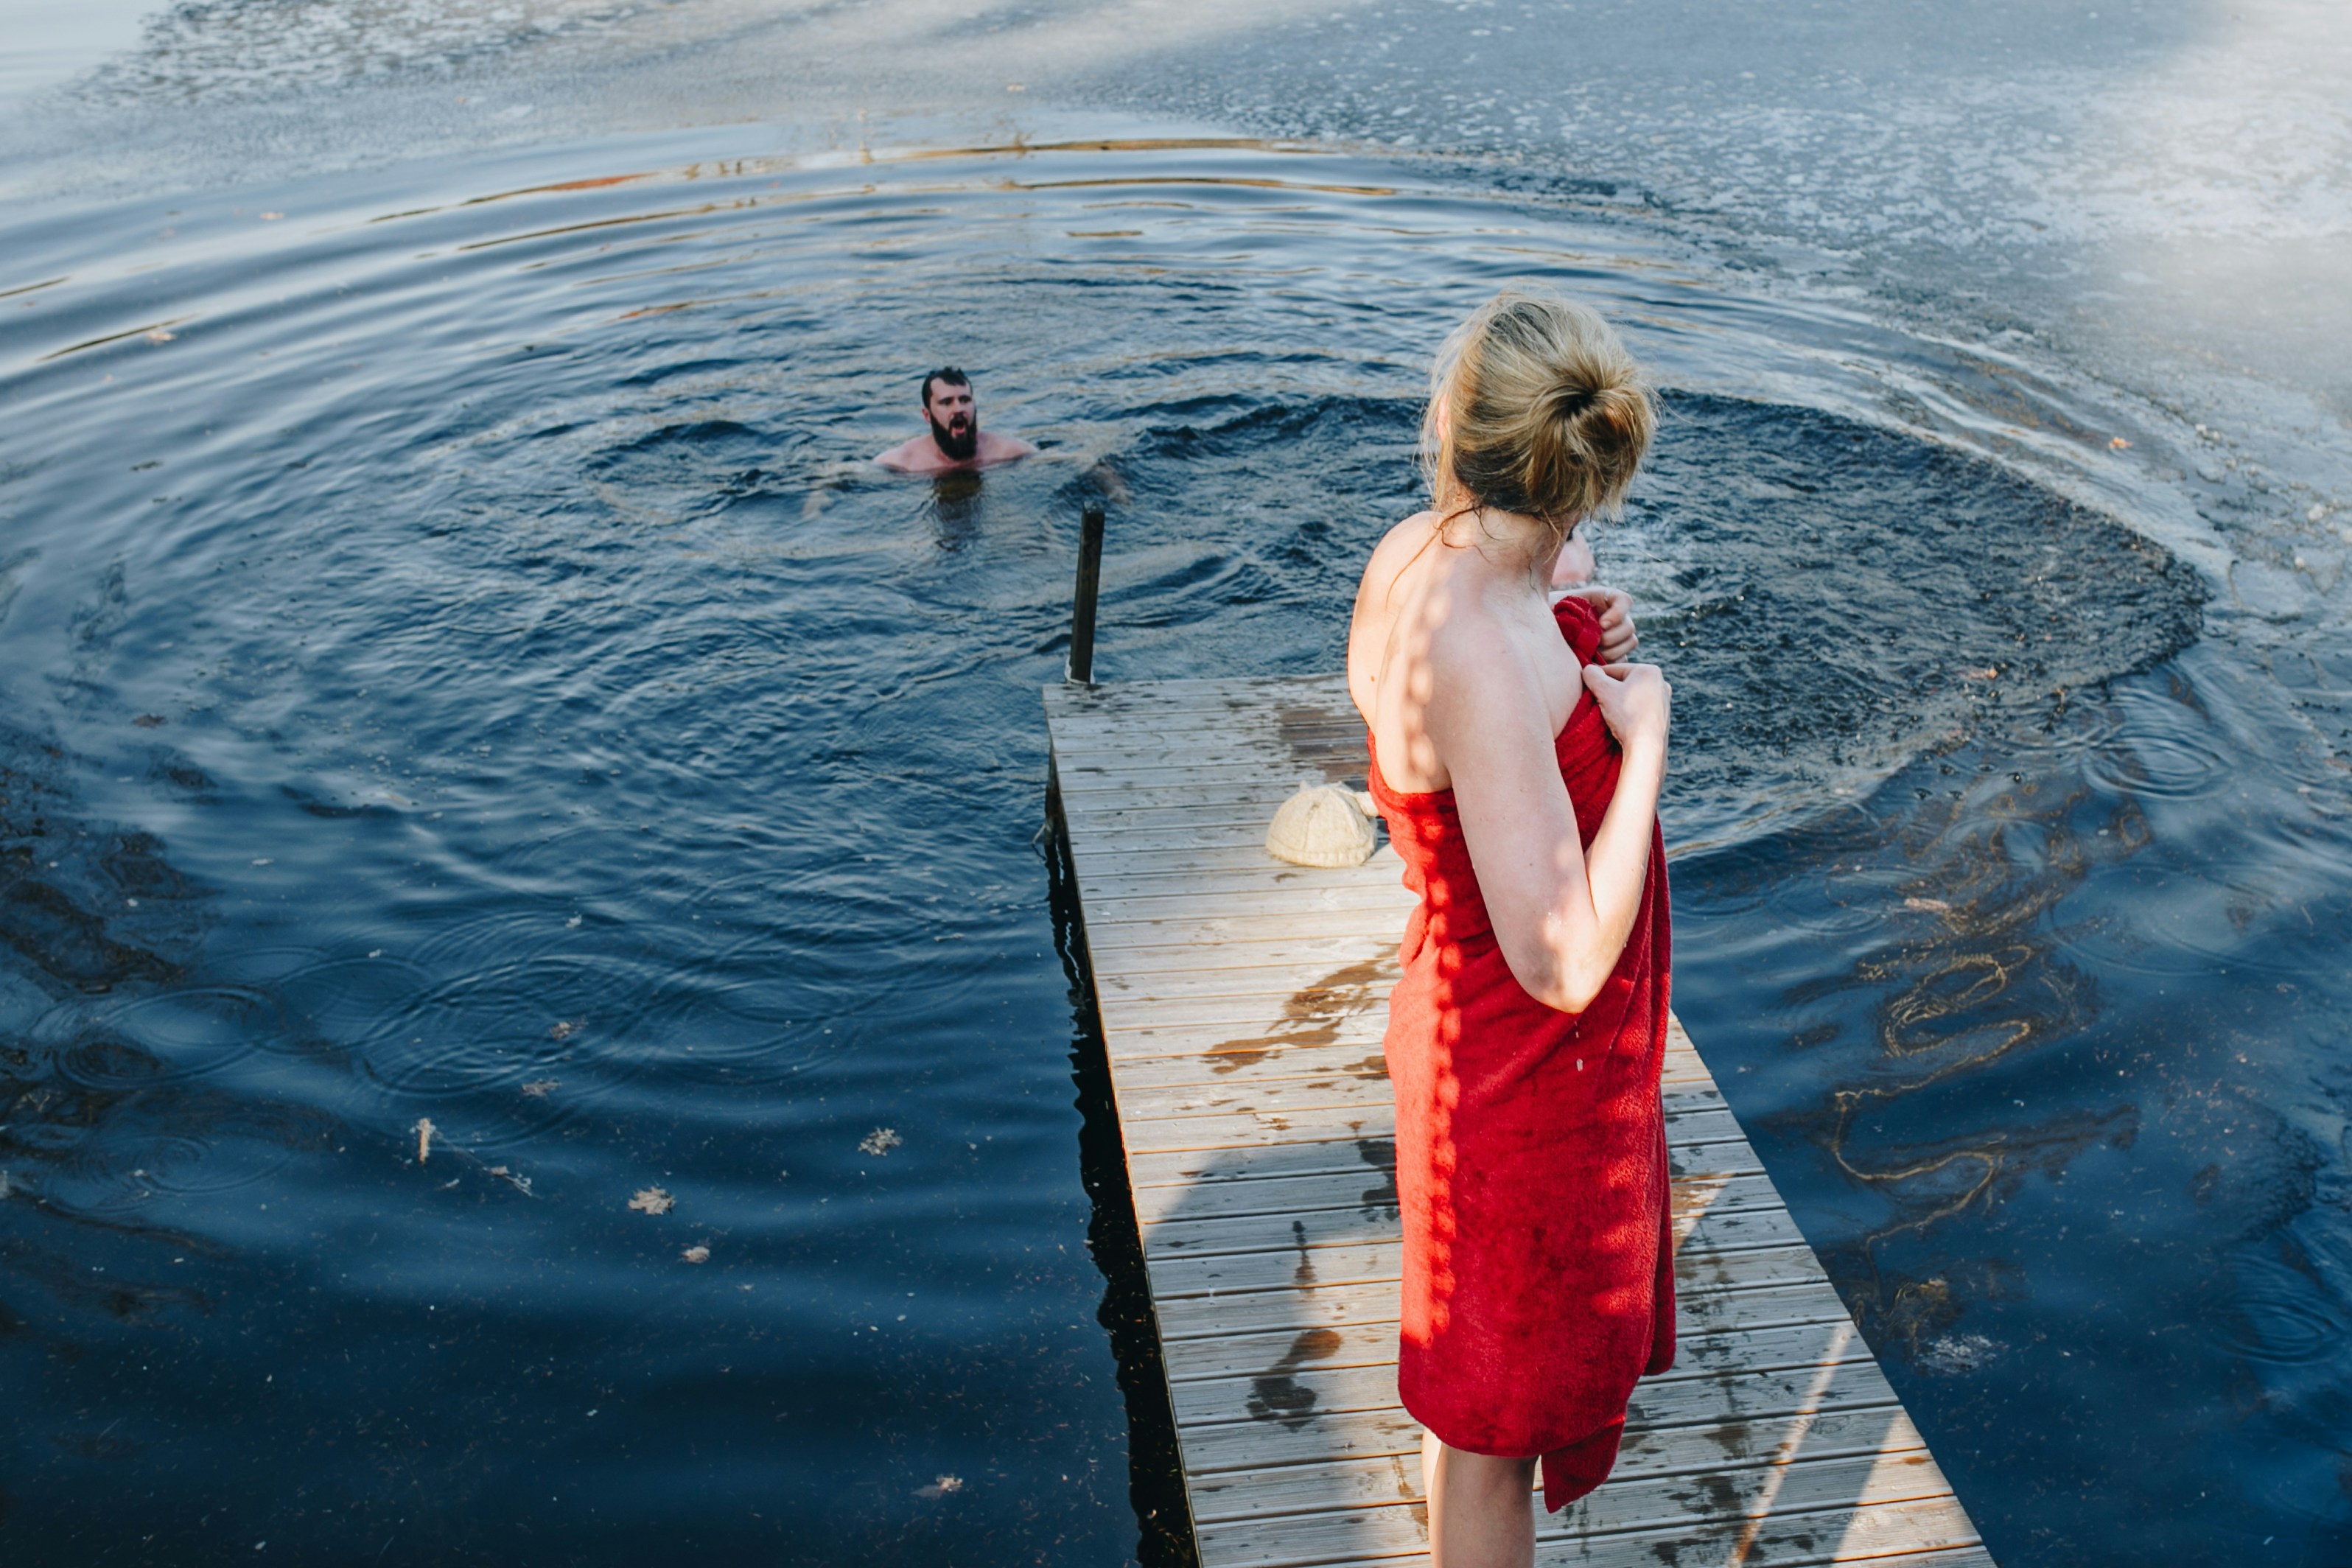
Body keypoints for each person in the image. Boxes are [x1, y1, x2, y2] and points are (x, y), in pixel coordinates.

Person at [1346, 285, 1672, 1568]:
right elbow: (1561, 956)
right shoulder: (1480, 642)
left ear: (1453, 426)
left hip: (1480, 1037)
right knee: (1492, 1442)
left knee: (1473, 1402)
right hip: (1517, 1077)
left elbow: (1433, 727)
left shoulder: (1413, 559)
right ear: (1583, 470)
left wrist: (1579, 618)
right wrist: (1641, 738)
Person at [874, 367, 1036, 472]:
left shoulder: (1006, 452)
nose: (959, 409)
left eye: (965, 400)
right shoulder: (904, 462)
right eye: (946, 402)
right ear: (927, 415)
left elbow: (1051, 459)